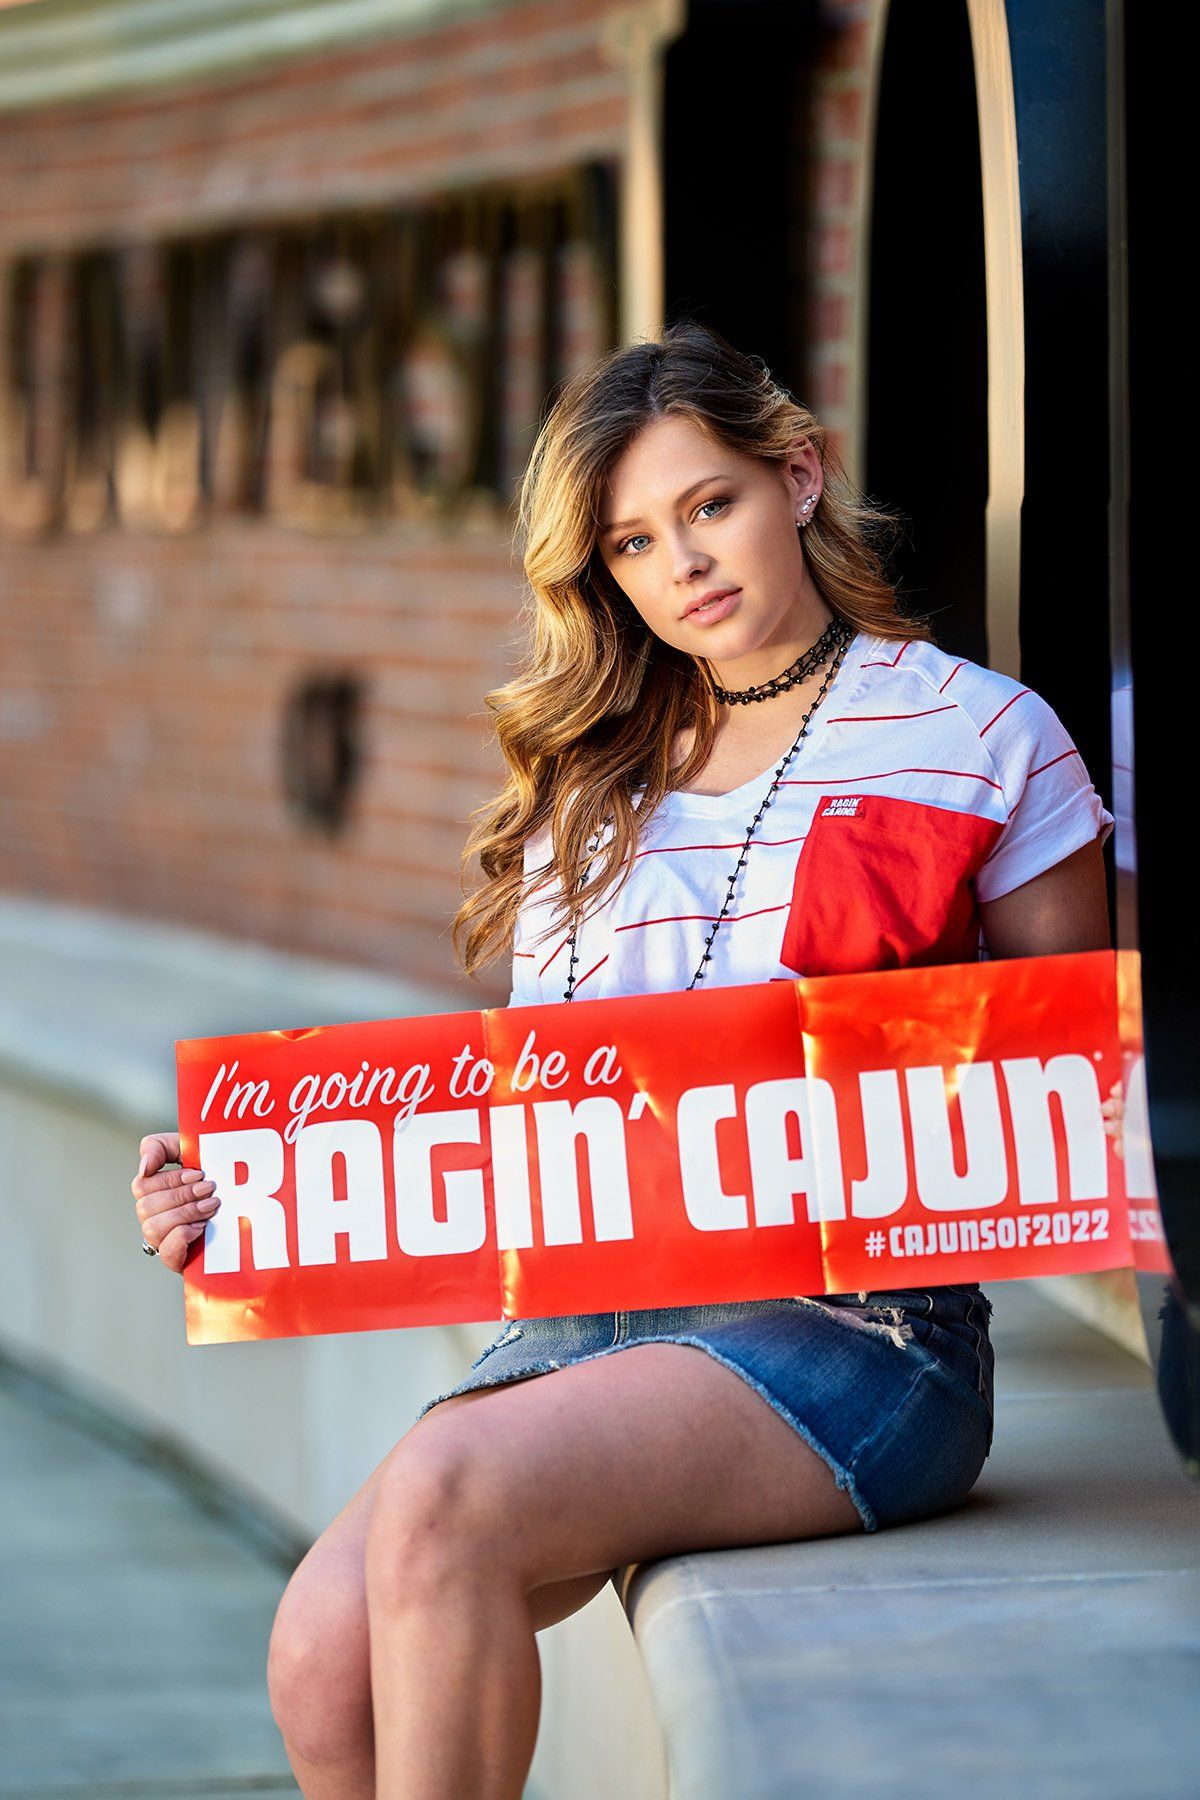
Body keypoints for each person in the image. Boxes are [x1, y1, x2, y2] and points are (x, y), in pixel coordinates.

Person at [131, 320, 1117, 1799]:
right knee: (316, 1658)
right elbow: (521, 1110)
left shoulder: (982, 735)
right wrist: (247, 1200)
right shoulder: (582, 781)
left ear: (797, 474)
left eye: (707, 506)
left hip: (853, 1335)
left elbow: (1067, 1090)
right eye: (634, 544)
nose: (684, 566)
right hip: (595, 1314)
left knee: (450, 1501)